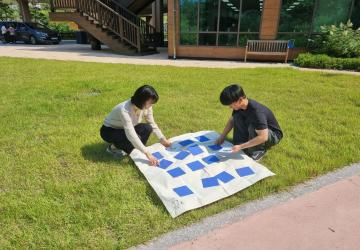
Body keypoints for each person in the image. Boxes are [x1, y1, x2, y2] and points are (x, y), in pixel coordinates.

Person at [100, 85, 171, 166]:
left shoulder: (147, 107)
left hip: (124, 129)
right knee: (134, 138)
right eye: (150, 103)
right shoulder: (124, 110)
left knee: (147, 128)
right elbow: (131, 134)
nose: (151, 105)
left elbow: (151, 123)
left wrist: (162, 139)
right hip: (109, 131)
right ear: (141, 100)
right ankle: (113, 148)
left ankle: (133, 148)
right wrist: (147, 153)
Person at [215, 84, 283, 161]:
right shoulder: (239, 107)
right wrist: (222, 136)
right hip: (259, 130)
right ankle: (242, 142)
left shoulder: (257, 112)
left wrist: (241, 147)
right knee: (236, 117)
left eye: (231, 104)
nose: (229, 107)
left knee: (253, 126)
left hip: (272, 135)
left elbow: (263, 137)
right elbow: (231, 121)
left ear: (240, 100)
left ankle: (258, 151)